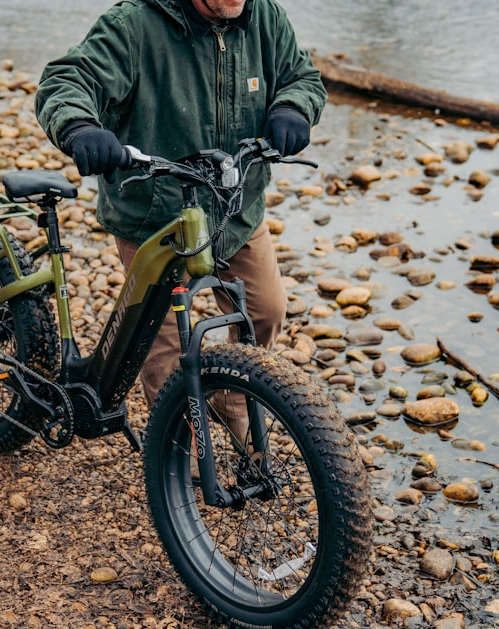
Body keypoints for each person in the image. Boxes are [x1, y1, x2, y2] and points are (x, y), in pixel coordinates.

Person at [35, 0, 327, 406]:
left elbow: (302, 77)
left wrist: (293, 107)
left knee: (266, 313)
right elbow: (68, 80)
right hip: (158, 219)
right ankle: (177, 455)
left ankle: (234, 410)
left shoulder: (264, 16)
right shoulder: (133, 25)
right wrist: (79, 126)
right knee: (165, 346)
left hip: (236, 209)